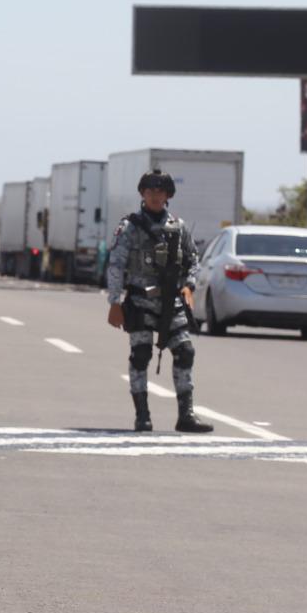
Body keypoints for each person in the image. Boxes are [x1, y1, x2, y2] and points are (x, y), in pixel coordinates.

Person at [105, 169, 214, 434]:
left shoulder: (178, 227)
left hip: (172, 302)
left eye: (160, 192)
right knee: (141, 354)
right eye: (150, 191)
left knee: (185, 352)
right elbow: (116, 264)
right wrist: (115, 302)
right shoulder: (130, 227)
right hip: (141, 301)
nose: (155, 196)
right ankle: (142, 415)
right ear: (142, 194)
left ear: (168, 196)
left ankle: (185, 415)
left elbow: (193, 260)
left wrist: (188, 286)